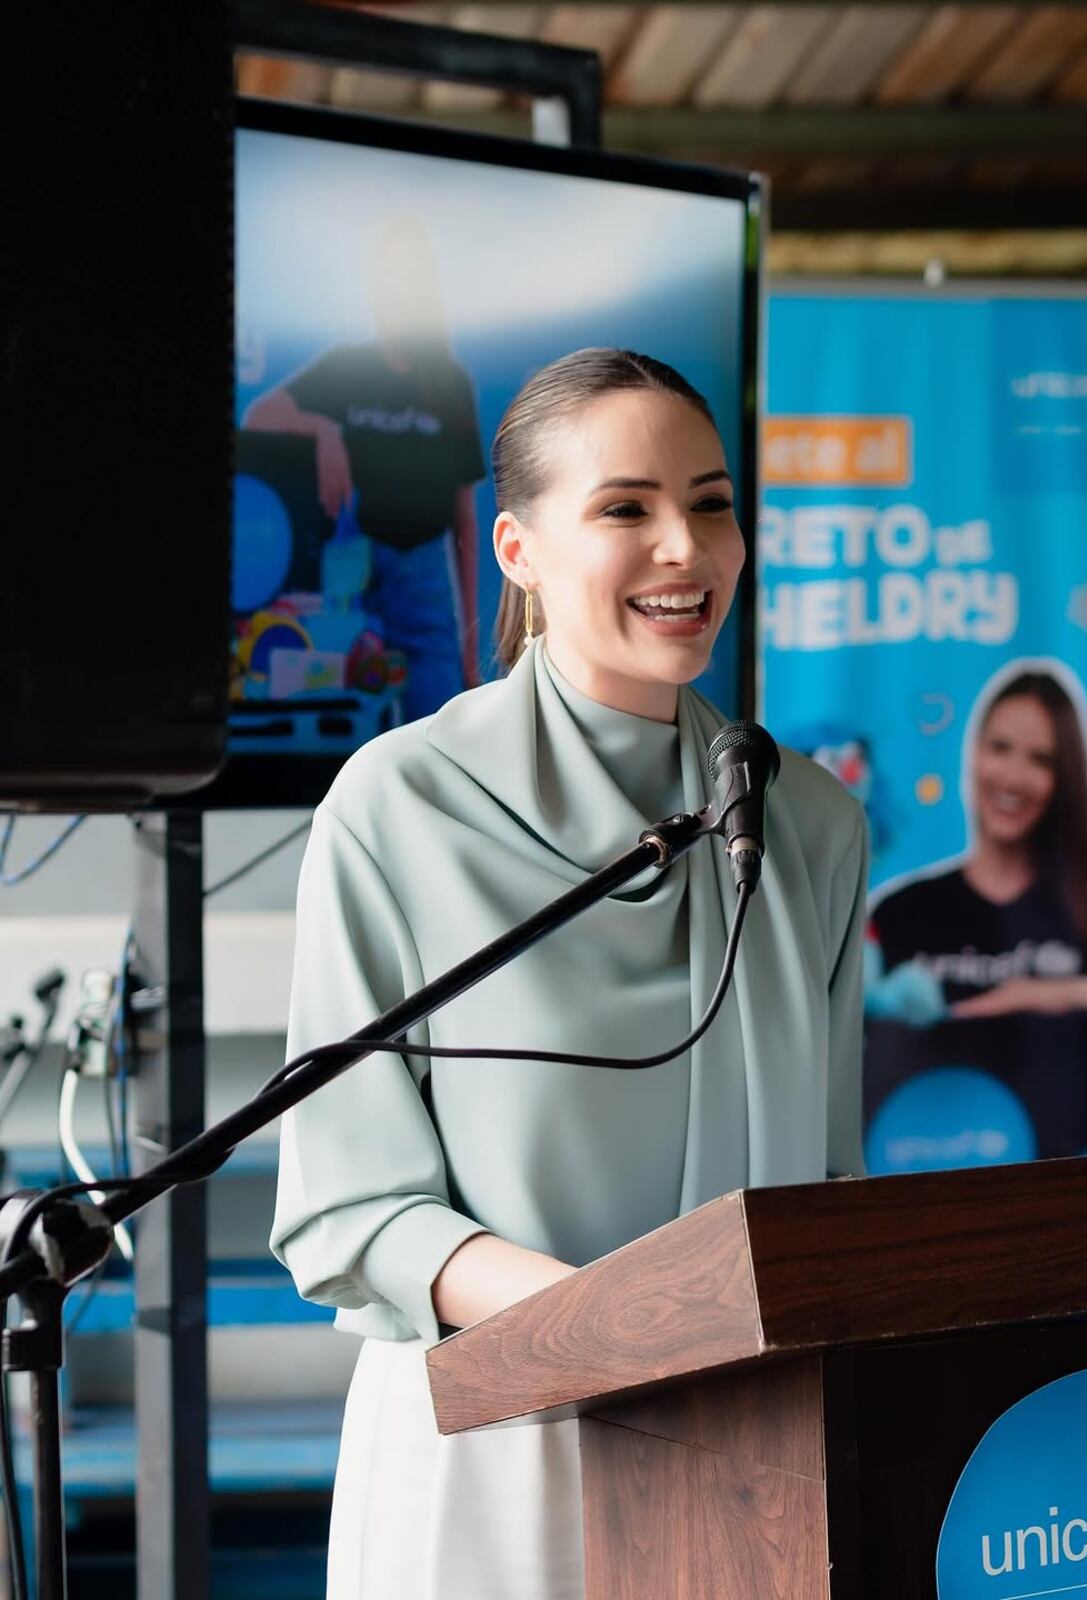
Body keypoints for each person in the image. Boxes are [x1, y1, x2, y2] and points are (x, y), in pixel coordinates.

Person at [269, 348, 868, 1599]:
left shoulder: (805, 820)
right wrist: (630, 1327)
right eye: (625, 508)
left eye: (710, 503)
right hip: (497, 1452)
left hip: (754, 1446)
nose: (684, 548)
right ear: (517, 551)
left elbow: (829, 1191)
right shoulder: (398, 806)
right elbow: (351, 1209)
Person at [868, 668, 1087, 1160]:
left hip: (1079, 1204)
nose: (1014, 776)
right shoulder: (902, 911)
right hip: (924, 1195)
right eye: (1000, 747)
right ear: (974, 753)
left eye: (1041, 759)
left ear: (1064, 778)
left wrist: (1059, 992)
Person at [243, 214, 486, 718]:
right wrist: (322, 430)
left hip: (425, 589)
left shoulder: (450, 383)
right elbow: (259, 415)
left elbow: (465, 518)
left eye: (410, 277)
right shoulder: (347, 367)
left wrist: (468, 648)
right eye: (388, 276)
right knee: (349, 735)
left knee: (436, 744)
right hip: (353, 584)